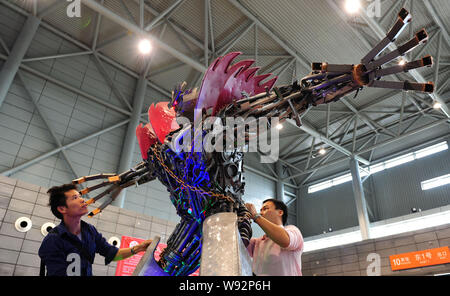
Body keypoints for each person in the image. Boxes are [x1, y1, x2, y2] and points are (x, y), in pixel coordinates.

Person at [38, 183, 152, 276]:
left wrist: (138, 248)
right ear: (62, 208)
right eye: (75, 198)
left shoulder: (90, 231)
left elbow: (113, 254)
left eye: (80, 196)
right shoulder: (53, 240)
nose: (82, 200)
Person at [245, 198, 303, 276]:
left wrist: (256, 216)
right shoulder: (257, 243)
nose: (261, 213)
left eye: (265, 209)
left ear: (280, 212)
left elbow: (285, 241)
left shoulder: (293, 231)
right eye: (260, 210)